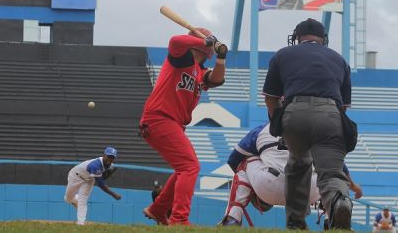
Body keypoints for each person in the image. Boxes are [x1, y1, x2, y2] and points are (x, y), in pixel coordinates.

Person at [263, 18, 353, 230]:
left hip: (295, 111)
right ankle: (339, 202)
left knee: (298, 165)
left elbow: (270, 97)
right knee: (331, 171)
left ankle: (296, 221)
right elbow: (344, 106)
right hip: (331, 113)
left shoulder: (283, 54)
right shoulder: (339, 59)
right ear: (323, 39)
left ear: (297, 38)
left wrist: (278, 124)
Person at [139, 28, 228, 225]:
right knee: (190, 167)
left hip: (170, 122)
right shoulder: (181, 58)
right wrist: (204, 42)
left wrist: (221, 58)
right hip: (159, 118)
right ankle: (179, 219)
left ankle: (158, 209)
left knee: (184, 168)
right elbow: (175, 41)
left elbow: (217, 79)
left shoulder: (199, 70)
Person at [219, 124, 362, 228]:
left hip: (268, 185)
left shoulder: (261, 129)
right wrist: (353, 186)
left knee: (245, 161)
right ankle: (331, 218)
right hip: (307, 190)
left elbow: (233, 161)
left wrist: (254, 187)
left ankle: (232, 218)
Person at [64, 147, 121, 225]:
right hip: (76, 176)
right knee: (67, 199)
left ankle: (81, 224)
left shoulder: (110, 165)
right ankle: (75, 200)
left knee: (83, 200)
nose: (110, 159)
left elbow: (102, 177)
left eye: (113, 157)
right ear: (104, 155)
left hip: (89, 179)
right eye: (109, 156)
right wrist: (113, 194)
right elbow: (101, 184)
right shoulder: (95, 165)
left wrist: (105, 174)